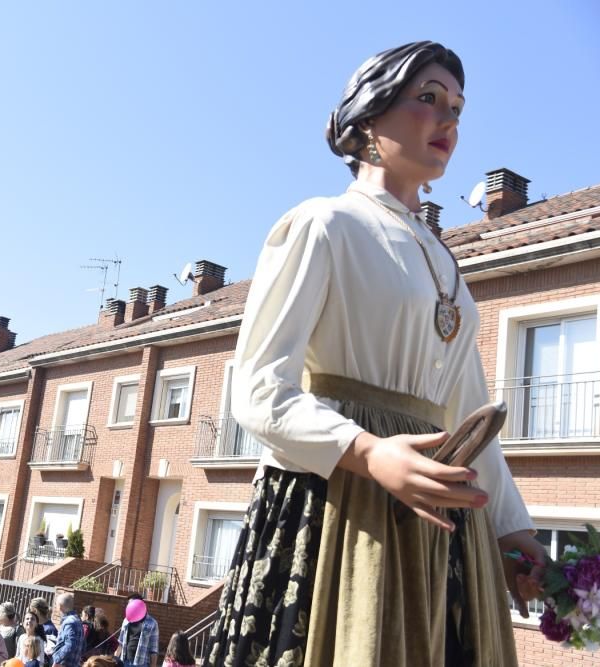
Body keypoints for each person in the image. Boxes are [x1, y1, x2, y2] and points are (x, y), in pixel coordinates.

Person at [204, 41, 547, 667]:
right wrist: (367, 451)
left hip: (436, 511)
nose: (449, 121)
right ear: (367, 118)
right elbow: (257, 388)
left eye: (457, 109)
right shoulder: (323, 224)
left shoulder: (445, 259)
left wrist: (509, 528)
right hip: (342, 495)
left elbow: (468, 409)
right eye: (428, 100)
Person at [117, 595, 159, 667]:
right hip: (124, 661)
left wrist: (153, 665)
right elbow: (120, 642)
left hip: (141, 664)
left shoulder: (152, 623)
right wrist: (115, 659)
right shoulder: (126, 620)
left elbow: (154, 649)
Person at [50, 592, 83, 667]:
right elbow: (83, 644)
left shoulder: (69, 622)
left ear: (60, 606)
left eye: (56, 604)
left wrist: (57, 660)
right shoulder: (78, 620)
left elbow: (70, 644)